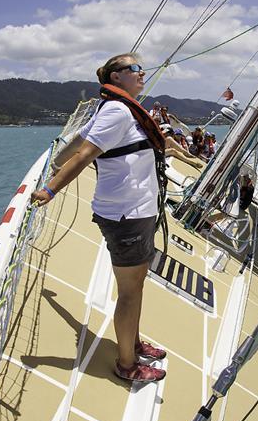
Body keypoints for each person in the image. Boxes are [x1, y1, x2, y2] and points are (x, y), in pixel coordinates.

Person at [31, 53, 167, 384]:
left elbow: (75, 144)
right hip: (127, 214)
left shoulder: (115, 109)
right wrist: (50, 189)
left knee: (136, 284)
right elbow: (85, 153)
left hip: (136, 210)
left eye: (141, 67)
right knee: (130, 291)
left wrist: (55, 162)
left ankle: (132, 341)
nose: (142, 72)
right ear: (115, 77)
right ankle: (127, 365)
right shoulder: (119, 111)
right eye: (134, 68)